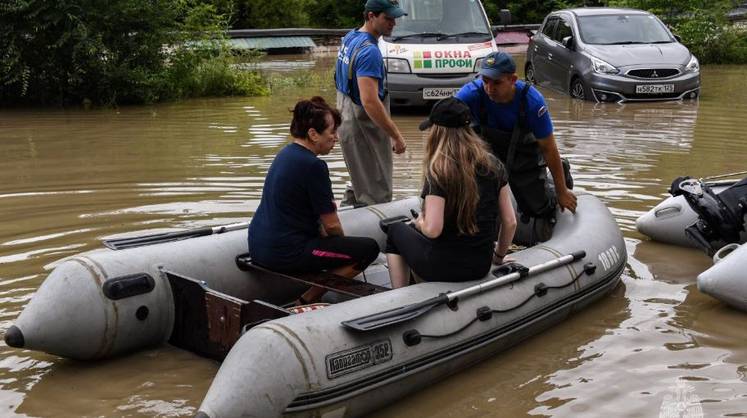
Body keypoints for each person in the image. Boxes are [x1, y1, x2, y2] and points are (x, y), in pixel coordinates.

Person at [248, 97, 380, 304]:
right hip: (286, 252)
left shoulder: (285, 154)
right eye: (331, 132)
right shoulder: (313, 166)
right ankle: (308, 298)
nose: (335, 138)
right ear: (313, 134)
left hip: (258, 245)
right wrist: (343, 247)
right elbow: (332, 224)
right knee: (368, 249)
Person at [385, 98, 517, 288]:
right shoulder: (494, 165)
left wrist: (419, 222)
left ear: (437, 132)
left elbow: (433, 229)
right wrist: (498, 257)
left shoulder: (438, 171)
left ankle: (399, 296)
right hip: (480, 265)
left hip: (442, 268)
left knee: (395, 231)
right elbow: (510, 222)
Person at [455, 51, 576, 244]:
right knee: (481, 198)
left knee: (537, 207)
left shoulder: (532, 102)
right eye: (485, 80)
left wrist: (562, 192)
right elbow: (443, 126)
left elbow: (548, 148)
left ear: (512, 79)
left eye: (496, 82)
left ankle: (557, 178)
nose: (489, 88)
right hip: (486, 152)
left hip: (523, 154)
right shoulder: (471, 94)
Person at [334, 0, 408, 206]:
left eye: (395, 18)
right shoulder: (370, 52)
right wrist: (396, 136)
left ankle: (344, 221)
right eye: (387, 18)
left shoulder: (350, 37)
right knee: (378, 190)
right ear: (371, 16)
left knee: (359, 180)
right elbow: (370, 102)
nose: (393, 23)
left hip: (345, 120)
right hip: (362, 128)